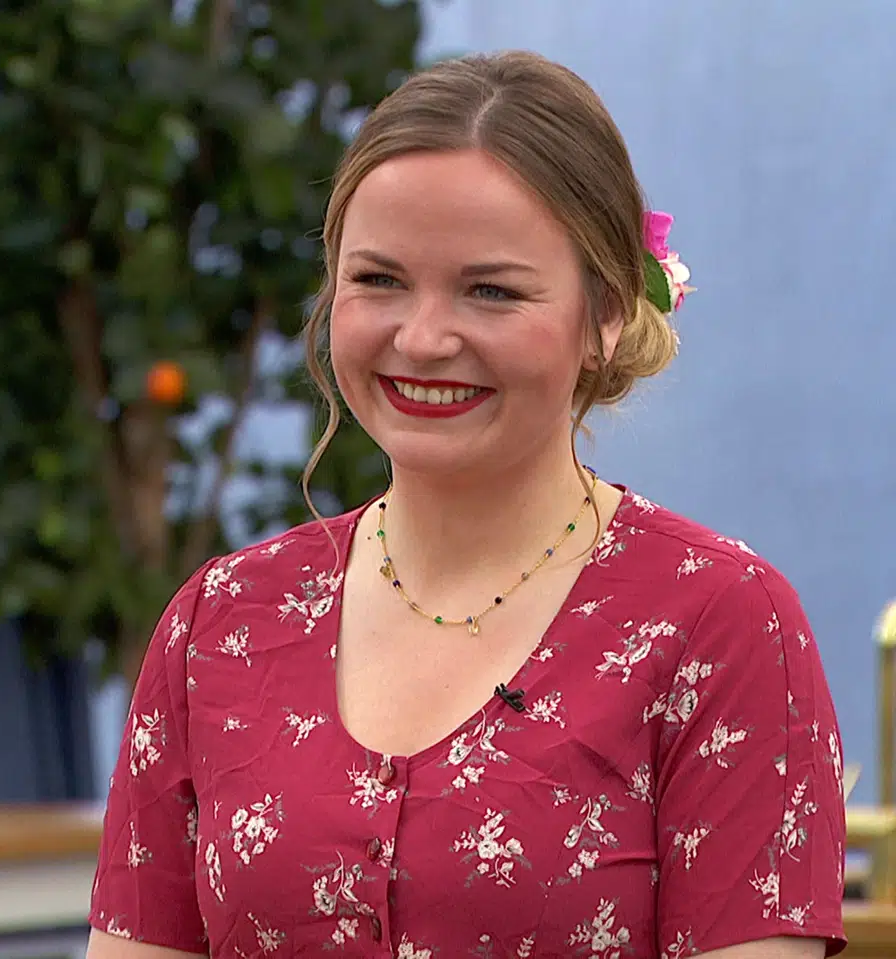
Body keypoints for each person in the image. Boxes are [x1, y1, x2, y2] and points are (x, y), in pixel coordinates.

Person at [86, 50, 846, 959]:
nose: (422, 338)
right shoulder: (219, 622)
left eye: (490, 290)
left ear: (606, 313)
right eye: (379, 280)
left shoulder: (721, 626)